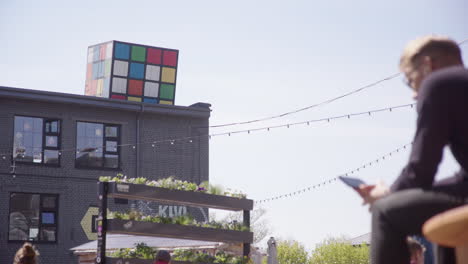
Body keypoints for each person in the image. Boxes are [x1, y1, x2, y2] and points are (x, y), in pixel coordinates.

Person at [357, 35, 468, 264]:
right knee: (440, 214)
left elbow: (421, 171)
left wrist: (388, 195)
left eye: (410, 79)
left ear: (428, 65)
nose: (414, 92)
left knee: (386, 212)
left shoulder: (439, 84)